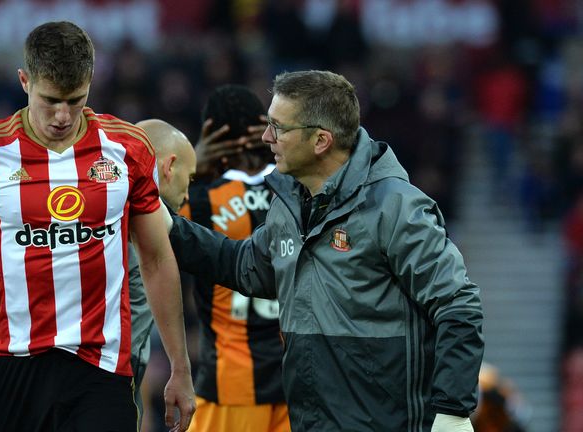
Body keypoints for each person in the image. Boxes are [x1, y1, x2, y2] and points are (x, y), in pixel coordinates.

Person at [0, 21, 195, 432]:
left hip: (101, 367)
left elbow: (156, 258)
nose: (63, 116)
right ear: (24, 81)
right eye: (50, 100)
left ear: (90, 83)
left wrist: (180, 366)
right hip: (14, 365)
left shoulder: (127, 148)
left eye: (75, 100)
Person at [165, 70, 484, 431]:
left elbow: (458, 303)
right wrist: (166, 224)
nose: (267, 137)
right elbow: (244, 265)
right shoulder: (290, 204)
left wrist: (453, 411)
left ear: (321, 140)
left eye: (278, 127)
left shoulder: (395, 207)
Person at [178, 85, 290, 432]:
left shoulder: (197, 200)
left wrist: (191, 165)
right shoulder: (302, 188)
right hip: (300, 381)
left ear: (209, 132)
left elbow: (149, 219)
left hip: (231, 384)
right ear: (266, 125)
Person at [128, 118, 196, 425]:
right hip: (101, 392)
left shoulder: (99, 207)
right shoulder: (143, 236)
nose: (188, 194)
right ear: (169, 167)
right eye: (190, 179)